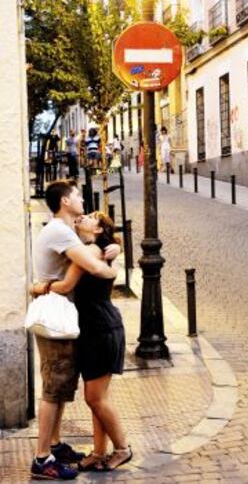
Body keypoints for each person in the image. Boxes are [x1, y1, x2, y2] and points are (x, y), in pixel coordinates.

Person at [30, 180, 119, 480]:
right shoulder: (60, 231)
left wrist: (111, 248)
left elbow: (98, 251)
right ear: (65, 201)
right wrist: (109, 267)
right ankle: (42, 459)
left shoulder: (64, 232)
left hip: (63, 318)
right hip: (57, 318)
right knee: (54, 390)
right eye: (78, 196)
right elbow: (92, 268)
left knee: (61, 386)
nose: (82, 201)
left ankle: (53, 445)